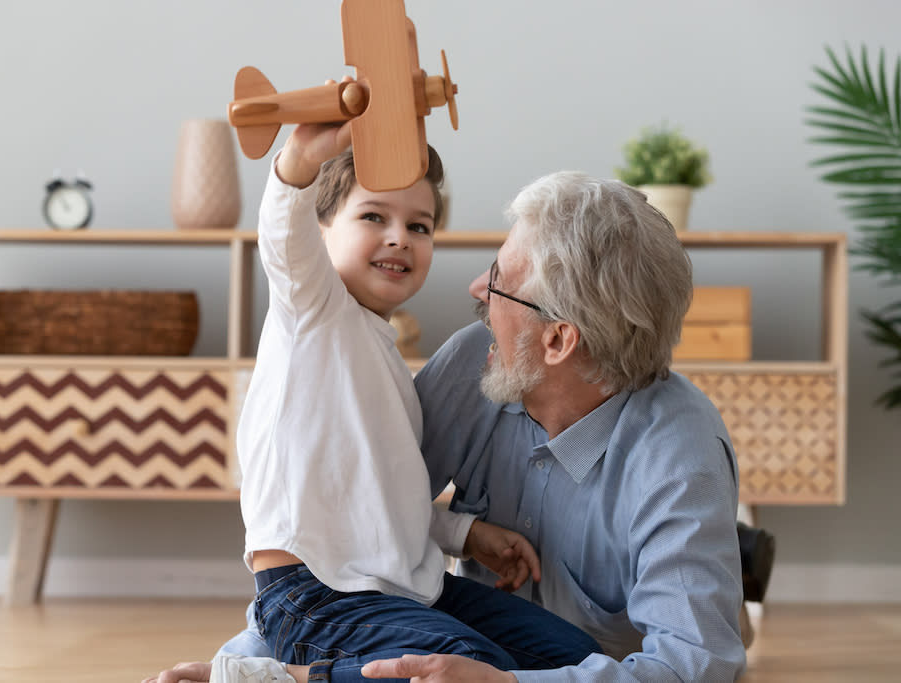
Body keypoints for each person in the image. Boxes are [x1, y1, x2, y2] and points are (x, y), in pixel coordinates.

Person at [146, 120, 601, 683]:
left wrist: (465, 535)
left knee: (580, 660)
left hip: (407, 589)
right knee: (475, 669)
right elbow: (282, 232)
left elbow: (379, 502)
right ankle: (277, 678)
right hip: (316, 593)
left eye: (419, 225)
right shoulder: (311, 309)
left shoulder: (385, 357)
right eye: (373, 217)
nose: (399, 237)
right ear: (321, 228)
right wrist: (299, 160)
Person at [361, 171, 748, 681]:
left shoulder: (680, 460)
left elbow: (694, 667)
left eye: (499, 280)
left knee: (715, 622)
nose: (477, 288)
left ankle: (725, 565)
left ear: (559, 341)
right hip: (479, 638)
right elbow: (362, 512)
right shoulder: (473, 360)